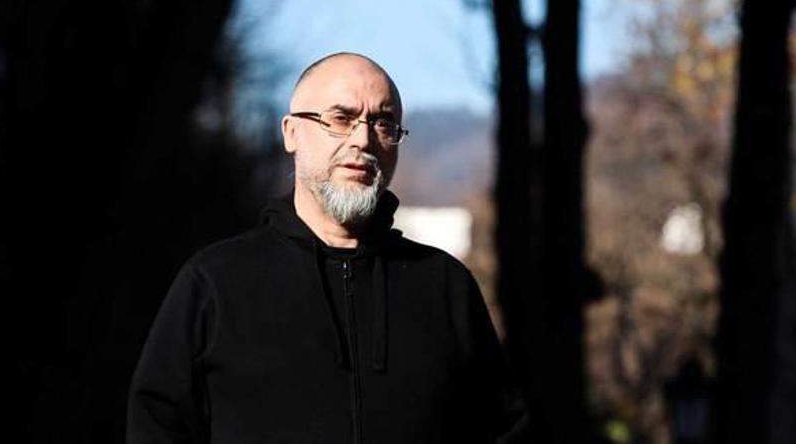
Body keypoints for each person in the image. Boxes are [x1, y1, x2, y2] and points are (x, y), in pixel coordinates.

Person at [127, 52, 515, 443]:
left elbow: (502, 431)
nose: (362, 139)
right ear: (291, 132)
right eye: (341, 119)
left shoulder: (444, 287)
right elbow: (157, 427)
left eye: (383, 122)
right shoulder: (215, 282)